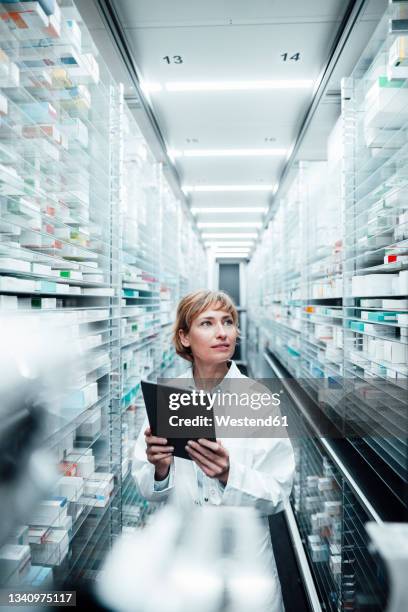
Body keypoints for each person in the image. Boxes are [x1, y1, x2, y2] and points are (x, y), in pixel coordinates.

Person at [133, 290, 295, 612]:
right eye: (207, 323)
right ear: (184, 336)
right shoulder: (168, 396)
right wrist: (160, 469)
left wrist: (228, 475)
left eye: (228, 322)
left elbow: (278, 492)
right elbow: (147, 488)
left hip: (246, 558)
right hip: (184, 557)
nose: (222, 332)